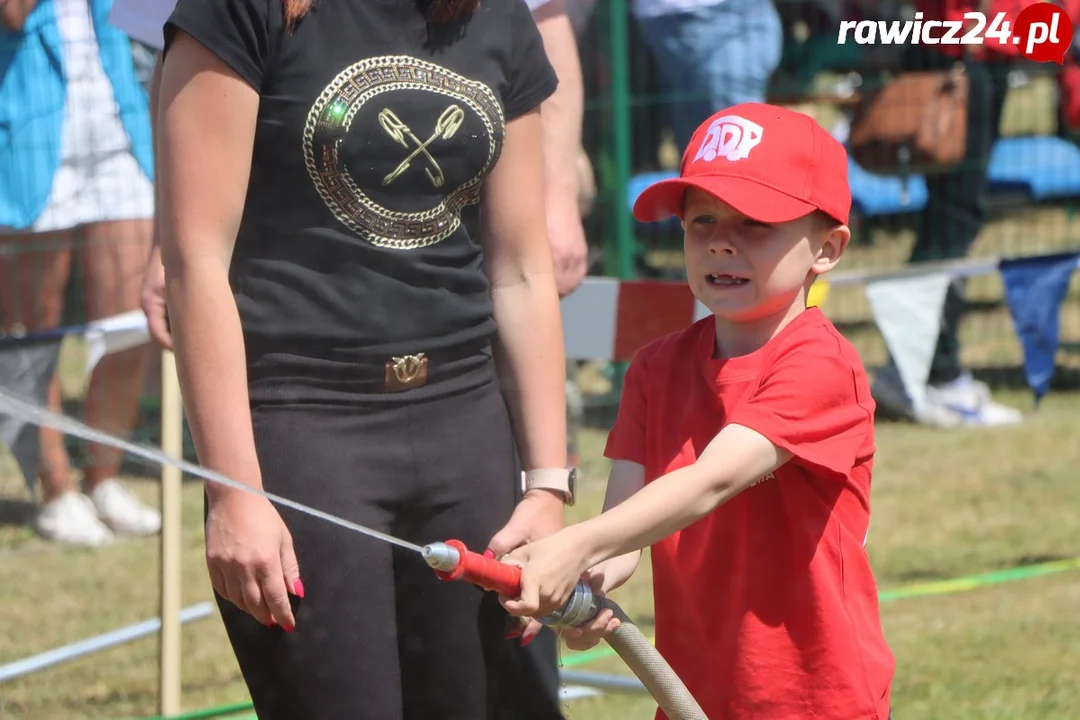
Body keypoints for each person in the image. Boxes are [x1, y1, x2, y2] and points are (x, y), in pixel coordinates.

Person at [156, 0, 576, 718]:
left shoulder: (496, 16)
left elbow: (522, 270)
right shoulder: (241, 10)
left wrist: (547, 486)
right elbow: (197, 265)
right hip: (304, 426)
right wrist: (234, 492)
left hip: (465, 420)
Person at [500, 104, 897, 719]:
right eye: (701, 220)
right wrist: (583, 591)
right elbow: (622, 534)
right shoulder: (655, 367)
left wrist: (571, 545)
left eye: (755, 223)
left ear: (828, 248)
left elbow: (711, 480)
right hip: (693, 697)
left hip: (818, 700)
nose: (720, 241)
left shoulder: (821, 365)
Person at [0, 0, 162, 546]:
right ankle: (56, 490)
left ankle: (105, 478)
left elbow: (153, 16)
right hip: (26, 135)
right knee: (32, 335)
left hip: (117, 126)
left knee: (132, 322)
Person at [869, 0, 1026, 428]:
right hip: (959, 52)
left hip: (984, 48)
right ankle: (933, 374)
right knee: (954, 217)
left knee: (954, 217)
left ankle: (916, 369)